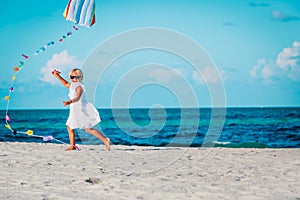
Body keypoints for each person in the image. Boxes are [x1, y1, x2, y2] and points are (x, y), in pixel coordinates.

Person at [52, 68, 110, 151]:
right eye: (72, 77)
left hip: (80, 110)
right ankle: (72, 145)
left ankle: (105, 139)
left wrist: (69, 102)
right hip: (74, 110)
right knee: (70, 126)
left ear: (81, 77)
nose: (74, 79)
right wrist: (58, 76)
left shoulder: (79, 86)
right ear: (70, 78)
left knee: (87, 128)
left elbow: (78, 97)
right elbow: (65, 84)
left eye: (77, 77)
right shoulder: (72, 85)